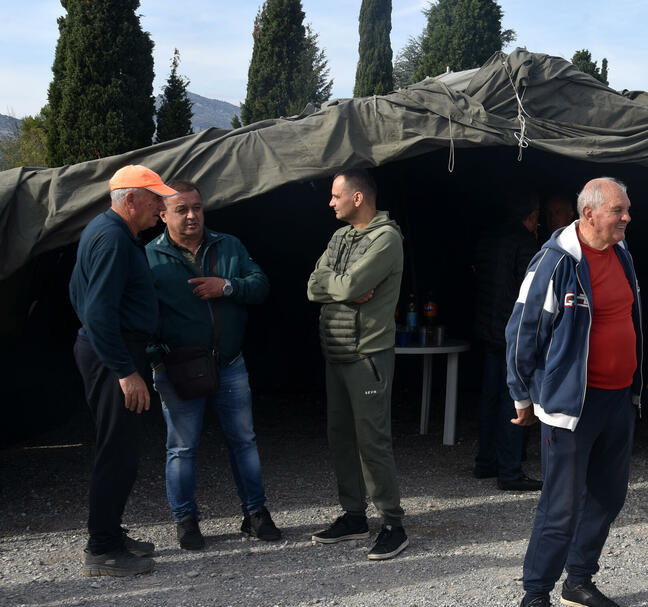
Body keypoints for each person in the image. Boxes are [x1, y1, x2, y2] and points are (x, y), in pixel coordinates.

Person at [507, 177, 642, 607]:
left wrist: (634, 391)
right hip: (571, 406)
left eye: (626, 210)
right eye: (619, 210)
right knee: (560, 506)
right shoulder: (555, 262)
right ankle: (533, 597)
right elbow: (523, 331)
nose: (627, 217)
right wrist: (523, 396)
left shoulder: (622, 255)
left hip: (617, 399)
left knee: (608, 495)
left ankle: (579, 581)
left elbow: (630, 321)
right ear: (589, 214)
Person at [146, 180, 280, 550]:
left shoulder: (229, 245)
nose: (192, 216)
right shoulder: (149, 258)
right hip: (178, 368)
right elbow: (139, 316)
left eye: (197, 208)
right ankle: (185, 521)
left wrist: (227, 287)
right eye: (181, 209)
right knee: (182, 447)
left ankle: (255, 514)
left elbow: (261, 286)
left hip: (229, 363)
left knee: (244, 440)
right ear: (161, 215)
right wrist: (158, 358)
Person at [69, 165, 176, 577]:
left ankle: (111, 533)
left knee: (121, 449)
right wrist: (124, 370)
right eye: (154, 200)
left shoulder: (107, 230)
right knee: (117, 452)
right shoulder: (112, 238)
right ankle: (102, 548)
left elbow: (81, 295)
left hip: (110, 352)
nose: (160, 208)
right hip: (112, 356)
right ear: (130, 200)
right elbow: (98, 312)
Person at [306, 169, 408, 561]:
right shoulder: (340, 237)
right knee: (341, 437)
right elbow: (312, 284)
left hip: (367, 355)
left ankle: (392, 524)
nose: (331, 203)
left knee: (372, 441)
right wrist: (343, 284)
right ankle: (353, 515)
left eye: (336, 196)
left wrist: (340, 285)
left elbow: (343, 287)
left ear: (358, 198)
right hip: (337, 351)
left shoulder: (386, 239)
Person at [473, 192, 543, 491]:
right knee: (515, 401)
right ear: (531, 216)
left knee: (490, 399)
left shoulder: (487, 239)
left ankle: (485, 462)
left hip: (487, 329)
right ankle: (511, 471)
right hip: (512, 334)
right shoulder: (526, 244)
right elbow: (532, 293)